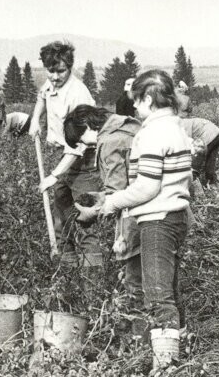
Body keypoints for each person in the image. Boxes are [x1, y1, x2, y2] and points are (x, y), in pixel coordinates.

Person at [98, 69, 192, 369]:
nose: (134, 108)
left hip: (157, 222)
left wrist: (112, 202)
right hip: (176, 216)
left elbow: (147, 187)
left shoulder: (151, 133)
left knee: (157, 295)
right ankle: (179, 353)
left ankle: (165, 365)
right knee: (170, 289)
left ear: (148, 99)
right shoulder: (177, 128)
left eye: (137, 101)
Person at [62, 105, 143, 336]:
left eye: (83, 139)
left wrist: (93, 213)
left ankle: (137, 339)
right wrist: (100, 197)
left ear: (88, 126)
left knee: (135, 280)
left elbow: (118, 192)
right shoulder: (128, 125)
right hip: (163, 213)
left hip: (136, 218)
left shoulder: (108, 142)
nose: (86, 145)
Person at [30, 40, 101, 266]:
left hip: (84, 161)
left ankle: (93, 280)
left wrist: (54, 175)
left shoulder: (78, 94)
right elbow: (42, 96)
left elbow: (78, 146)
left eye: (60, 71)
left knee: (86, 215)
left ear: (70, 67)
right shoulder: (50, 84)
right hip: (61, 156)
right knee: (62, 211)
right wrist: (35, 120)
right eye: (50, 70)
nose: (55, 76)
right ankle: (67, 266)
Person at [179, 118, 219, 187]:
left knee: (195, 163)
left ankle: (193, 185)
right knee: (210, 160)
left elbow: (188, 143)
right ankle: (212, 182)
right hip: (218, 133)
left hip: (208, 135)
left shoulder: (181, 125)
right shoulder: (186, 121)